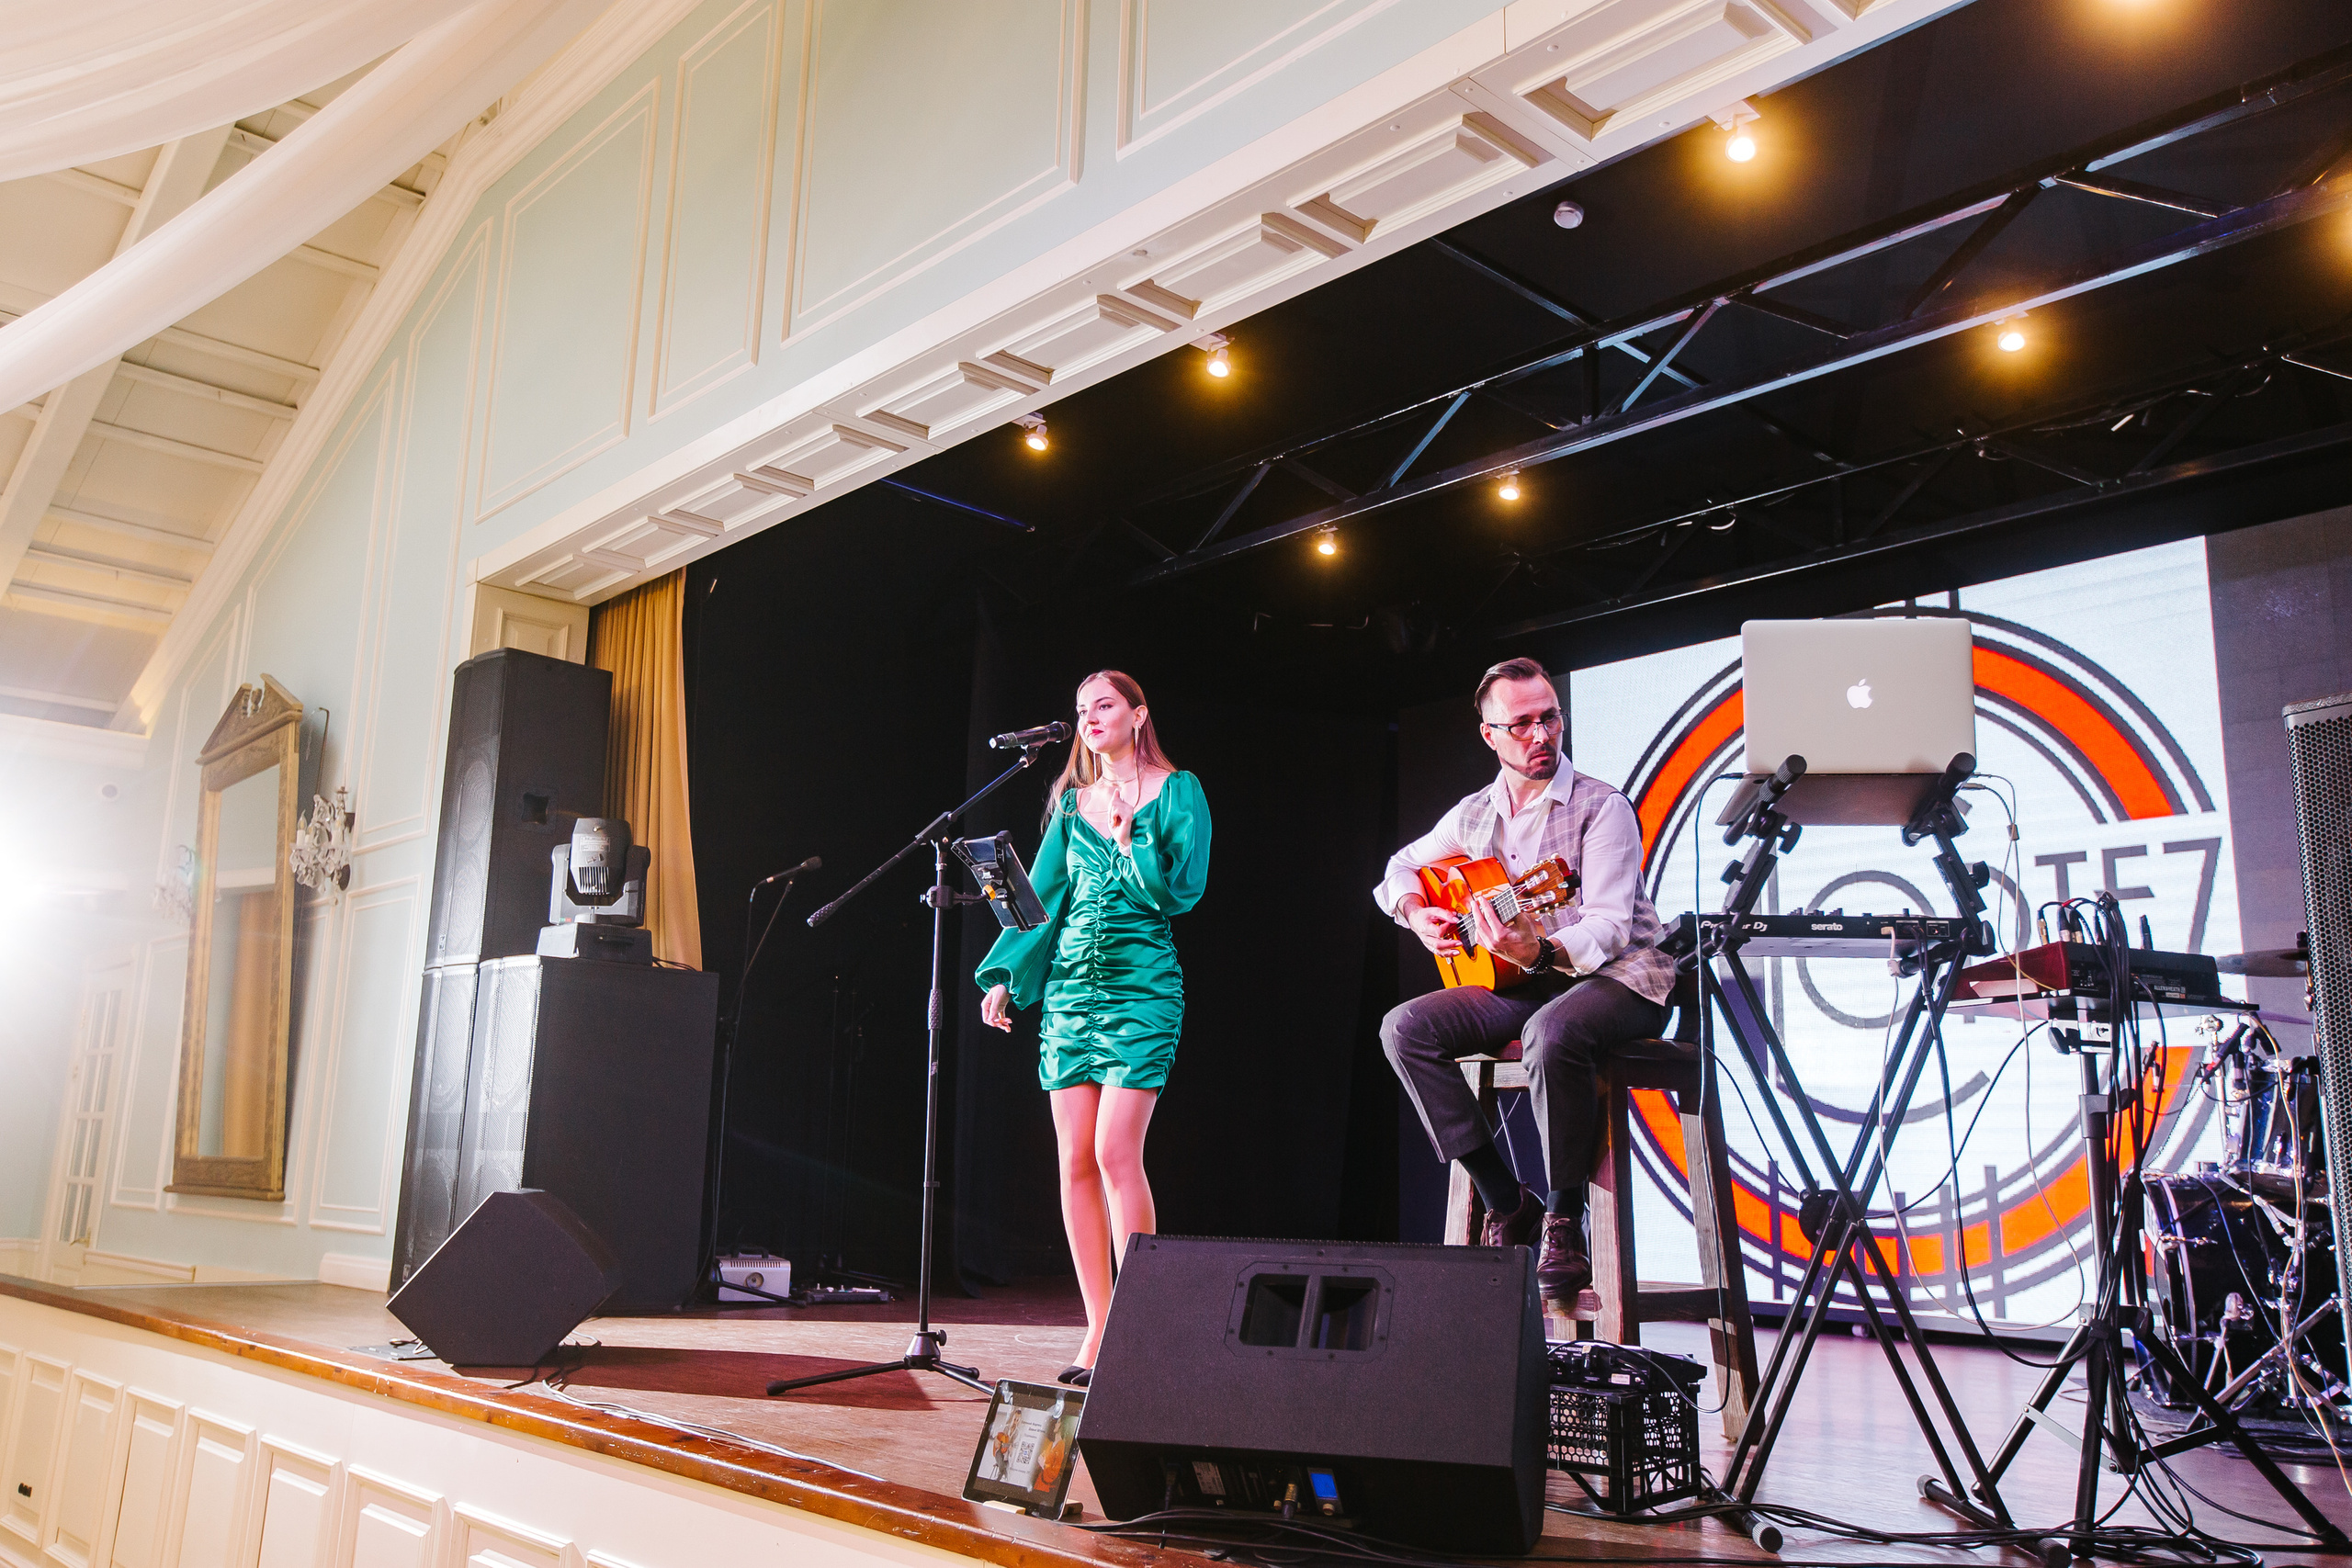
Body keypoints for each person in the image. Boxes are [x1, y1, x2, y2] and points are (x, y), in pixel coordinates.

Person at [1374, 656, 1675, 1304]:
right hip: (1525, 984)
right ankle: (1509, 1202)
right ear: (1490, 735)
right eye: (1522, 725)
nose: (1541, 735)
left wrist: (1540, 950)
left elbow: (1609, 930)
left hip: (1623, 980)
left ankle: (1567, 1219)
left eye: (1550, 719)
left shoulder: (1603, 807)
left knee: (1552, 1029)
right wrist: (1414, 911)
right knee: (1405, 1028)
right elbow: (1396, 869)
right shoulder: (1474, 814)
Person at [978, 671, 1211, 1386]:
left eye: (1104, 704)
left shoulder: (1180, 791)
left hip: (1142, 989)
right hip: (1072, 992)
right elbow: (1041, 897)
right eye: (1081, 710)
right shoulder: (1071, 801)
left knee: (1116, 1152)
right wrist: (1007, 976)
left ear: (1139, 713)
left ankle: (1137, 1328)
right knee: (1074, 1156)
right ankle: (1099, 1330)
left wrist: (1130, 839)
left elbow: (1182, 890)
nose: (1089, 718)